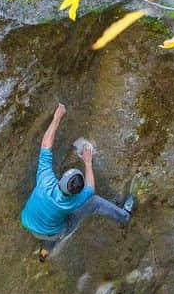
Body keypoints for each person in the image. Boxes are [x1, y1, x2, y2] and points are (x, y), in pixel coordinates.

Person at [20, 102, 135, 256]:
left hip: (29, 223)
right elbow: (90, 191)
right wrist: (88, 163)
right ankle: (124, 216)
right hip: (54, 231)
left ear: (61, 180)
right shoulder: (73, 202)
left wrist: (56, 118)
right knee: (95, 203)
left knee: (51, 223)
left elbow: (46, 144)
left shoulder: (45, 179)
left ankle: (45, 250)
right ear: (76, 193)